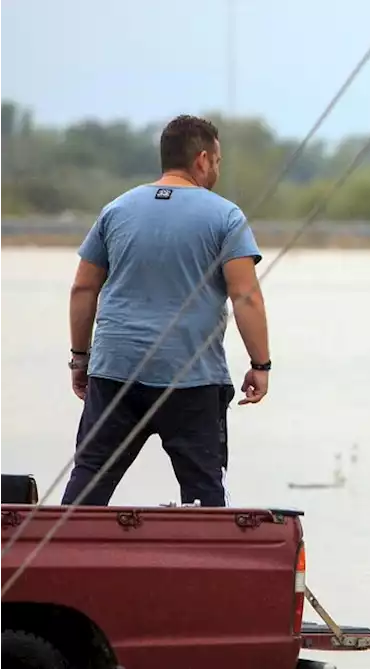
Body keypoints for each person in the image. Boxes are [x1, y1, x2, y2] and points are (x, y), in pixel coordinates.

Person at [63, 114, 271, 508]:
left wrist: (79, 358)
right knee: (204, 494)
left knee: (87, 483)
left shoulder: (117, 210)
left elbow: (83, 287)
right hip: (191, 378)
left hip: (115, 370)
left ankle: (58, 562)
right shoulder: (225, 216)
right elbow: (246, 297)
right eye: (218, 162)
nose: (217, 170)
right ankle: (207, 567)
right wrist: (261, 364)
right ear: (203, 159)